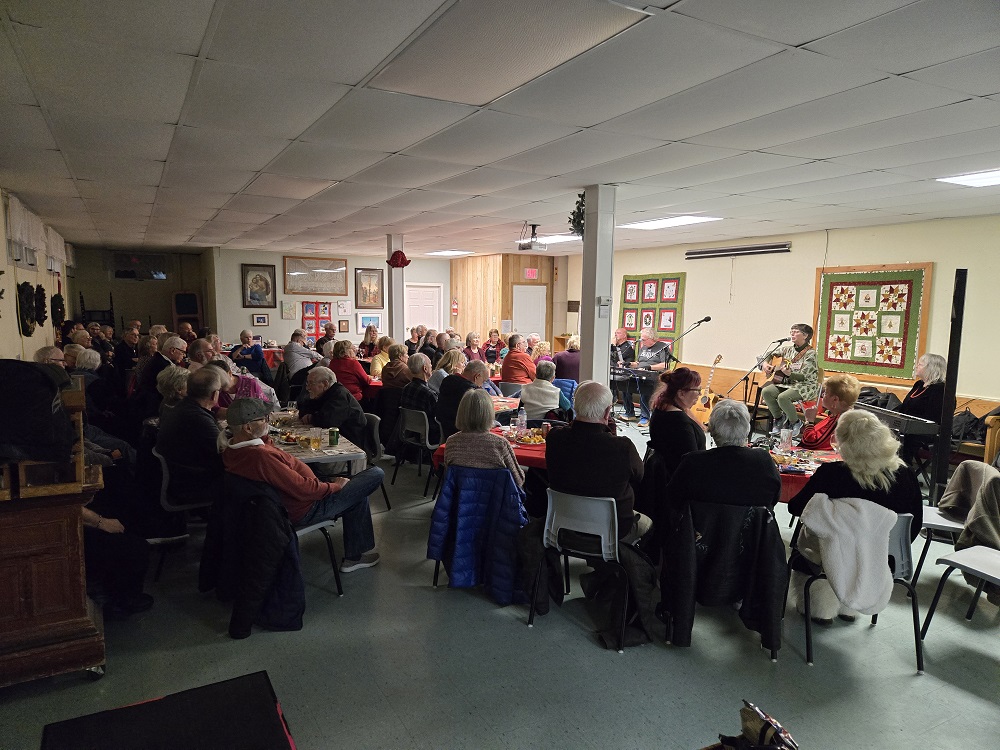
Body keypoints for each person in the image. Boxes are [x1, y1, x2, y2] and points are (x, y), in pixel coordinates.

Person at [787, 409, 922, 622]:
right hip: (882, 557)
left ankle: (820, 608)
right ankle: (848, 609)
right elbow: (914, 525)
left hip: (827, 556)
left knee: (813, 538)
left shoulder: (831, 474)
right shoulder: (906, 476)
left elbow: (797, 508)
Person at [221, 397, 383, 572]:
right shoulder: (260, 457)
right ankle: (354, 557)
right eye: (263, 419)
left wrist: (262, 437)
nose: (267, 421)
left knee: (357, 495)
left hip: (289, 504)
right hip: (307, 507)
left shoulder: (232, 450)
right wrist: (335, 486)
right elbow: (302, 488)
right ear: (247, 427)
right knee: (375, 474)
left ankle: (355, 557)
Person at [546, 381, 647, 542]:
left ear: (575, 406)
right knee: (649, 525)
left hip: (563, 526)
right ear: (607, 412)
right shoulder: (622, 447)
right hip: (612, 531)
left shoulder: (554, 438)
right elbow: (640, 476)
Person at [156, 367, 225, 503]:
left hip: (180, 476)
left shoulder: (183, 407)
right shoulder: (198, 418)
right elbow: (226, 453)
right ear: (214, 395)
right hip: (191, 485)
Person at [444, 389, 524, 486]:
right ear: (489, 413)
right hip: (495, 499)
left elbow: (449, 478)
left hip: (462, 498)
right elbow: (518, 480)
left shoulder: (451, 443)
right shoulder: (500, 444)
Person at [760, 323, 818, 439]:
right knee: (766, 391)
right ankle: (779, 418)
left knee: (783, 397)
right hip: (788, 382)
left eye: (796, 331)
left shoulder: (811, 354)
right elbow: (769, 354)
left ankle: (795, 422)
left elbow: (803, 376)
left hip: (805, 385)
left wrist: (790, 374)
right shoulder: (787, 349)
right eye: (791, 331)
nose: (792, 333)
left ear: (805, 336)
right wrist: (765, 363)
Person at [648, 367, 707, 475]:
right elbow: (690, 461)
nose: (700, 395)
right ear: (681, 394)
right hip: (676, 481)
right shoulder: (680, 422)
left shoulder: (663, 408)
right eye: (697, 390)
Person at [297, 366, 367, 448]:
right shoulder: (321, 394)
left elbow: (327, 422)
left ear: (325, 384)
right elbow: (302, 411)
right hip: (331, 441)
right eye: (307, 383)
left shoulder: (340, 395)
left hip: (350, 444)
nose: (307, 387)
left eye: (311, 383)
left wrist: (311, 418)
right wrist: (310, 415)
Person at [799, 374, 861, 450]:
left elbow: (810, 443)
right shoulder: (838, 415)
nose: (822, 395)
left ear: (835, 399)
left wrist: (809, 421)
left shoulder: (841, 420)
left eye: (825, 393)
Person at [436, 360, 490, 440]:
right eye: (483, 381)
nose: (482, 385)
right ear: (477, 377)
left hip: (443, 427)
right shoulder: (472, 391)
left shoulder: (447, 380)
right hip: (464, 433)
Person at [631, 327, 675, 426]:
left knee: (645, 390)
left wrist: (649, 367)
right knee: (625, 383)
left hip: (656, 376)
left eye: (643, 339)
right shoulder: (643, 348)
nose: (642, 342)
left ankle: (645, 417)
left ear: (652, 338)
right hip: (641, 373)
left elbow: (665, 365)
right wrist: (629, 364)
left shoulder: (662, 347)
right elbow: (639, 363)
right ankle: (629, 413)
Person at [399, 353, 439, 443]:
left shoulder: (406, 388)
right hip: (429, 435)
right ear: (425, 368)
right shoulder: (429, 394)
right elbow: (438, 417)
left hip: (411, 432)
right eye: (430, 364)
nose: (432, 366)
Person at [897, 352, 946, 422]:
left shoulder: (940, 389)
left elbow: (933, 417)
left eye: (920, 364)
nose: (916, 366)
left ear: (930, 368)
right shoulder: (919, 384)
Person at [327, 339, 374, 404]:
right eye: (352, 348)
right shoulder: (353, 363)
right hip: (353, 398)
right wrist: (370, 377)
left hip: (337, 397)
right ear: (347, 351)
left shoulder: (332, 363)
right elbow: (367, 381)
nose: (354, 350)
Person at [611, 327, 637, 421]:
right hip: (615, 372)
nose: (615, 335)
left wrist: (613, 345)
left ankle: (630, 412)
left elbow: (618, 358)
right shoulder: (616, 347)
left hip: (626, 373)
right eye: (615, 333)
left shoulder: (628, 347)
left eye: (618, 333)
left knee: (626, 392)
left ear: (624, 335)